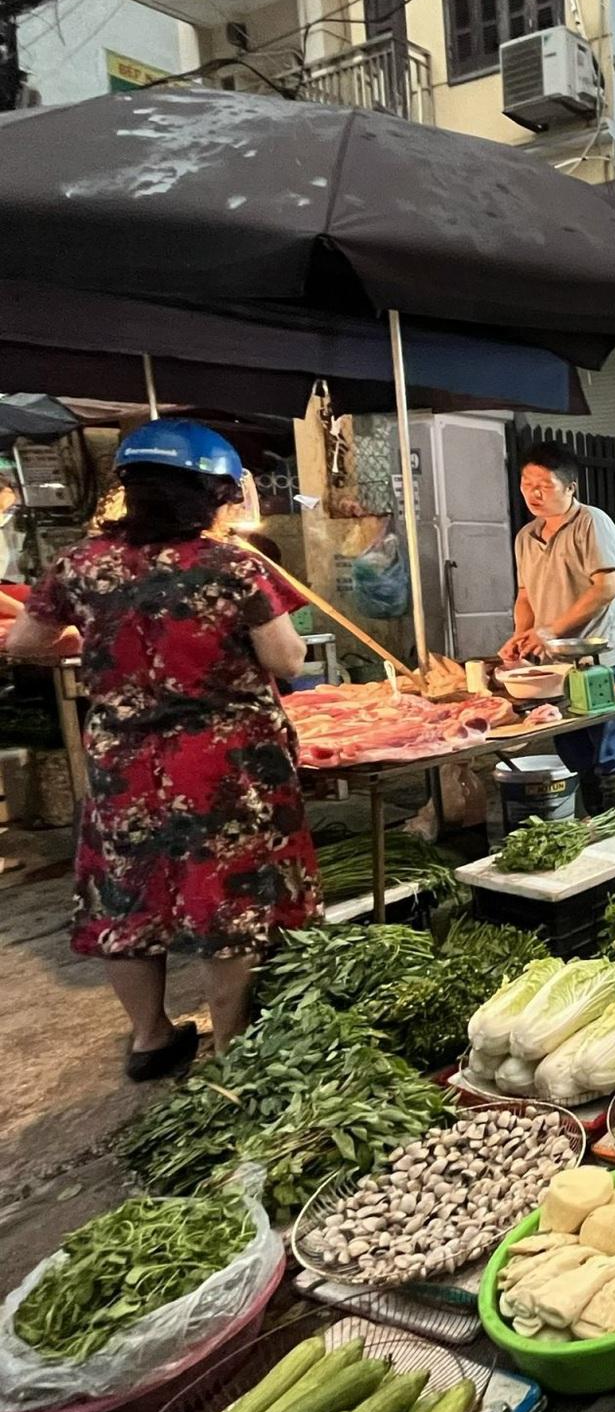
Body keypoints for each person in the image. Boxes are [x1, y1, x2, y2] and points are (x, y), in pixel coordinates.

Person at [5, 420, 320, 1079]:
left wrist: (99, 643)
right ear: (212, 493)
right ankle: (231, 1043)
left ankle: (150, 1037)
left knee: (129, 896)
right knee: (226, 898)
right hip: (220, 764)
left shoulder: (80, 564)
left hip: (125, 765)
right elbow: (287, 656)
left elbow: (24, 643)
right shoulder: (229, 566)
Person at [503, 442, 615, 812]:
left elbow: (607, 586)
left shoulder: (593, 522)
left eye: (544, 485)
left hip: (601, 657)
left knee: (612, 747)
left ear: (570, 488)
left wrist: (551, 630)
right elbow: (525, 596)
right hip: (556, 662)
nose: (533, 492)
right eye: (526, 483)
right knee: (572, 746)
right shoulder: (525, 537)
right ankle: (595, 823)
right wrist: (522, 634)